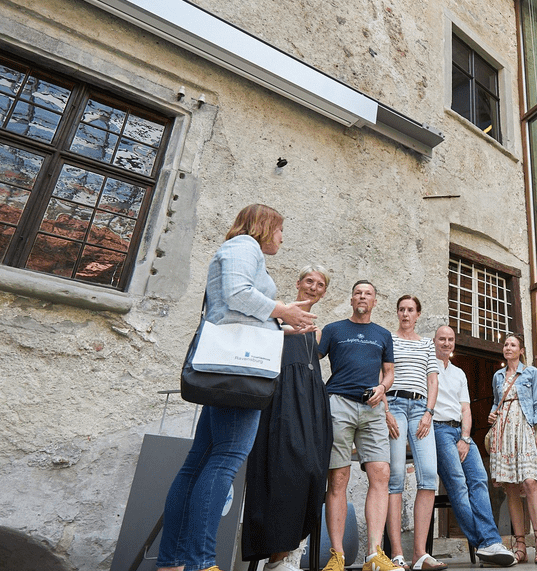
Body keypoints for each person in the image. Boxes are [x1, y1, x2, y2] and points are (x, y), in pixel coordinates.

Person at [157, 204, 315, 571]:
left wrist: (285, 327)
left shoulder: (239, 249)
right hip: (239, 373)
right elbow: (238, 294)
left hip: (228, 368)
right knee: (225, 460)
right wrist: (283, 310)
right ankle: (200, 563)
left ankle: (173, 562)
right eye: (280, 230)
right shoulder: (244, 246)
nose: (282, 238)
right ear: (264, 226)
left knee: (197, 464)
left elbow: (237, 314)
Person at [242, 265, 334, 569]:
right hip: (284, 401)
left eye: (320, 284)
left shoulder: (318, 331)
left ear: (324, 292)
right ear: (298, 283)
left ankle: (286, 554)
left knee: (312, 472)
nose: (313, 287)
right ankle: (276, 558)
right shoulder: (281, 312)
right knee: (285, 471)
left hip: (310, 402)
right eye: (309, 281)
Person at [319, 281, 401, 571]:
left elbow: (389, 373)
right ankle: (337, 556)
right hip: (339, 404)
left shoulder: (383, 334)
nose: (362, 297)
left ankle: (374, 555)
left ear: (375, 301)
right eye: (358, 293)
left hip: (373, 407)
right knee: (338, 478)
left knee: (381, 474)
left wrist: (383, 387)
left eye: (368, 294)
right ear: (351, 299)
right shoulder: (333, 329)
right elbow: (310, 358)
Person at [430, 325, 518, 568]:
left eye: (450, 339)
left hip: (460, 431)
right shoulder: (428, 367)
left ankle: (490, 542)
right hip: (438, 430)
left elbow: (465, 409)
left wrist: (466, 438)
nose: (446, 343)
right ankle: (485, 543)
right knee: (458, 484)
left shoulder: (459, 373)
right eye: (442, 339)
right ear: (434, 341)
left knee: (479, 479)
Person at [384, 296, 442, 571]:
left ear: (418, 314)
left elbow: (432, 380)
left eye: (410, 310)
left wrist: (429, 412)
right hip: (394, 404)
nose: (405, 314)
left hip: (420, 408)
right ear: (397, 313)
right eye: (402, 310)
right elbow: (381, 374)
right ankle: (397, 554)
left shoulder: (427, 344)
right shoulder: (388, 339)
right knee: (395, 477)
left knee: (429, 475)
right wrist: (385, 411)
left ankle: (420, 554)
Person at [487, 334, 537, 565]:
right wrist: (492, 414)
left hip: (525, 429)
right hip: (503, 432)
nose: (508, 347)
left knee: (531, 482)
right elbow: (496, 402)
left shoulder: (531, 373)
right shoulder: (498, 376)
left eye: (513, 345)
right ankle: (520, 545)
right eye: (506, 344)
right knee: (511, 487)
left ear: (521, 350)